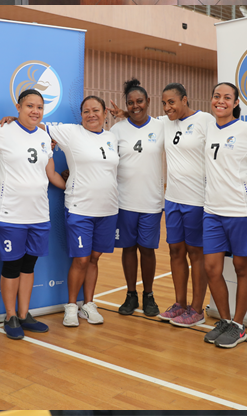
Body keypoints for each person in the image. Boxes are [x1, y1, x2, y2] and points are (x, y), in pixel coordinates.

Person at [0, 89, 65, 339]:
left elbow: (51, 173)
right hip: (10, 212)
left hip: (39, 213)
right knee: (11, 265)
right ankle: (9, 315)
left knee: (29, 265)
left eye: (39, 107)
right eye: (30, 106)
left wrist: (75, 186)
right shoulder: (2, 132)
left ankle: (24, 314)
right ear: (18, 107)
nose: (35, 111)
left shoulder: (44, 136)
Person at [200, 82, 247, 348]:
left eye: (227, 97)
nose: (221, 101)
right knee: (211, 268)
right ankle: (225, 321)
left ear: (236, 102)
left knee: (241, 267)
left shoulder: (246, 131)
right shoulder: (207, 126)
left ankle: (239, 325)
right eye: (217, 96)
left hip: (242, 210)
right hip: (212, 210)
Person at [46, 96, 119, 327]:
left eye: (95, 110)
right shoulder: (71, 133)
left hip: (108, 208)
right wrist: (12, 121)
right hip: (80, 208)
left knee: (94, 259)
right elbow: (35, 124)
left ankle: (88, 304)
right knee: (81, 259)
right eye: (86, 111)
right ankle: (71, 306)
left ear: (105, 112)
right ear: (81, 115)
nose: (91, 115)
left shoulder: (112, 137)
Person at [157, 83, 214, 327]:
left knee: (195, 254)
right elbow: (142, 120)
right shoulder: (165, 122)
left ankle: (197, 309)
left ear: (185, 99)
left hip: (197, 201)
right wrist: (123, 115)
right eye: (164, 103)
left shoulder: (205, 120)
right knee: (175, 250)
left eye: (172, 102)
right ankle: (180, 304)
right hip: (173, 199)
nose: (168, 107)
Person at [110, 79, 164, 317]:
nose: (135, 106)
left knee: (148, 250)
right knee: (128, 249)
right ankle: (131, 294)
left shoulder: (163, 126)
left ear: (148, 102)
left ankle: (149, 295)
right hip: (124, 201)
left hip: (152, 201)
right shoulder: (117, 130)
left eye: (139, 101)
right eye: (130, 103)